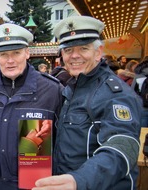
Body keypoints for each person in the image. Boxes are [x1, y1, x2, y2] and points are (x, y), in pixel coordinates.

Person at [33, 16, 142, 190]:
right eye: (68, 50)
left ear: (98, 53)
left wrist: (80, 180)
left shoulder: (116, 94)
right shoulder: (73, 87)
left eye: (83, 48)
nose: (74, 56)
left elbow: (121, 146)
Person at [0, 23, 63, 190]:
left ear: (27, 53)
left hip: (36, 183)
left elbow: (64, 142)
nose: (10, 60)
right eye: (3, 54)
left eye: (16, 53)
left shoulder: (52, 90)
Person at [131, 57, 148, 127]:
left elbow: (132, 90)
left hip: (141, 105)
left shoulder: (138, 74)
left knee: (142, 130)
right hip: (144, 106)